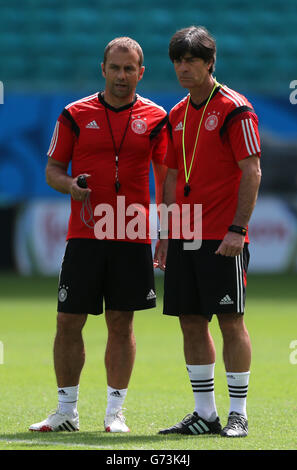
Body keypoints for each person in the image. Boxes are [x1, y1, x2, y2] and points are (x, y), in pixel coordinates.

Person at [29, 37, 168, 433]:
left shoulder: (157, 118)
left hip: (133, 234)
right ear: (102, 69)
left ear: (141, 73)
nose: (122, 76)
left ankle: (114, 413)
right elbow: (52, 170)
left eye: (130, 69)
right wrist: (71, 185)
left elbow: (167, 180)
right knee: (68, 320)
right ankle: (66, 412)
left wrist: (168, 232)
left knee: (121, 323)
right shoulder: (74, 113)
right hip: (85, 235)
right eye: (115, 68)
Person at [154, 26, 261, 438]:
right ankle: (204, 413)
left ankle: (238, 413)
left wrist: (238, 228)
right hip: (185, 235)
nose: (184, 67)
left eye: (192, 60)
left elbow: (252, 171)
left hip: (221, 236)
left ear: (210, 63)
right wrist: (165, 230)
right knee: (190, 321)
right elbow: (171, 176)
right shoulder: (176, 114)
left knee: (230, 320)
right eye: (178, 61)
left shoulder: (236, 108)